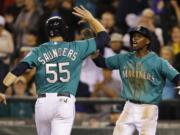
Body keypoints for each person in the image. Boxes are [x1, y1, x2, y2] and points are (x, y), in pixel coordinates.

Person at [0, 6, 110, 135]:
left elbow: (18, 69)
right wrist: (91, 19)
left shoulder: (38, 50)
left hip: (43, 103)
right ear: (64, 31)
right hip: (64, 103)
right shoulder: (77, 47)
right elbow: (104, 38)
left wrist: (2, 89)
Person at [92, 26, 180, 135]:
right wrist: (92, 50)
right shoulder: (124, 58)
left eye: (139, 37)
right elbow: (102, 63)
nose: (134, 39)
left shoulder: (159, 62)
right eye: (133, 36)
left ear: (147, 40)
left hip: (148, 108)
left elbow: (177, 78)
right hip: (129, 106)